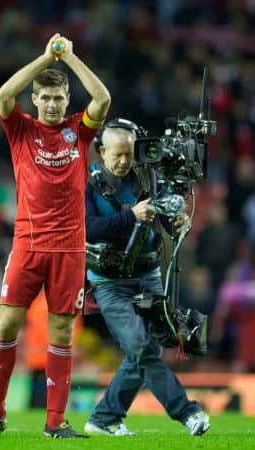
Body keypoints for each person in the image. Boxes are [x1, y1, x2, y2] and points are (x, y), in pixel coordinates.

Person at [0, 33, 111, 439]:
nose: (51, 104)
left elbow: (102, 99)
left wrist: (72, 58)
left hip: (69, 247)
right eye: (45, 98)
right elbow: (3, 94)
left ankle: (55, 422)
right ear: (36, 100)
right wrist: (46, 57)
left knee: (63, 332)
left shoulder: (79, 133)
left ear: (67, 99)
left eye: (58, 97)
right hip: (28, 244)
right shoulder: (20, 130)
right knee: (7, 325)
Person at [83, 119, 211, 437]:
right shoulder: (86, 184)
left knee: (146, 351)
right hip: (109, 282)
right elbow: (85, 227)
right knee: (139, 347)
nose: (126, 161)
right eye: (118, 155)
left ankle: (103, 418)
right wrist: (130, 216)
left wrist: (177, 222)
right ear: (101, 152)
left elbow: (162, 221)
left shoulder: (147, 177)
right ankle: (187, 412)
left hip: (149, 275)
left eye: (130, 154)